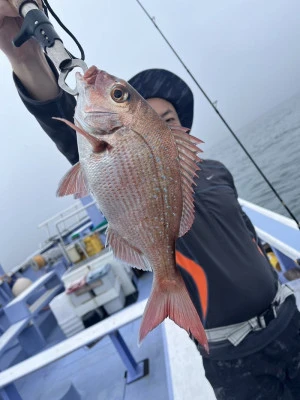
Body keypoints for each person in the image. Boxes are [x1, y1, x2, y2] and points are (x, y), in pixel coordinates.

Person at [1, 2, 300, 399]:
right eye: (151, 116)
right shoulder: (118, 158)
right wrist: (24, 56)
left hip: (290, 318)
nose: (161, 124)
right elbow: (76, 138)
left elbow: (245, 232)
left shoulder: (216, 172)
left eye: (168, 119)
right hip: (233, 355)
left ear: (181, 130)